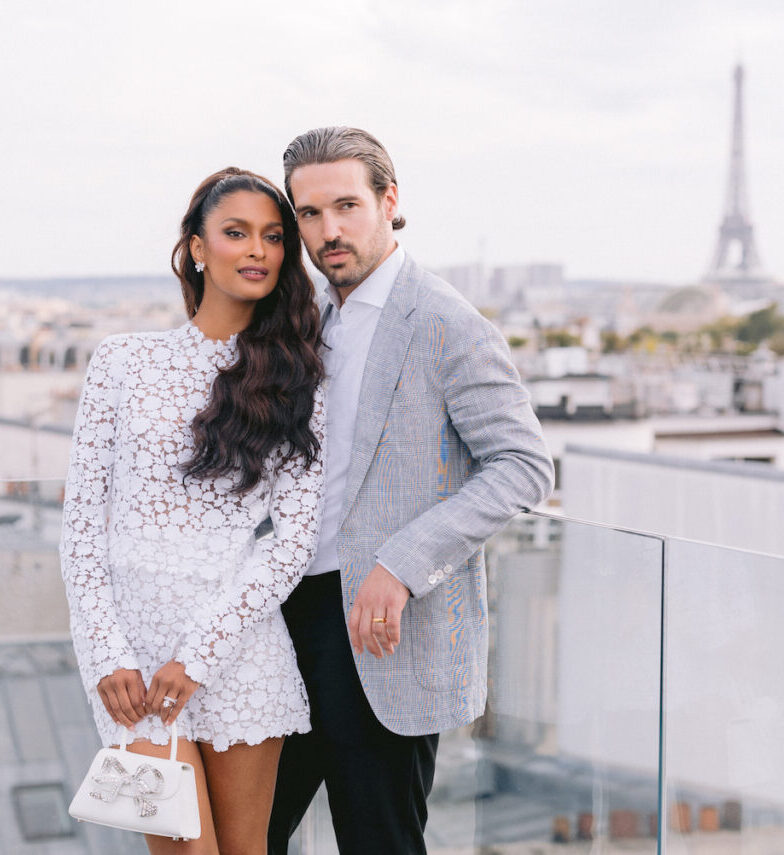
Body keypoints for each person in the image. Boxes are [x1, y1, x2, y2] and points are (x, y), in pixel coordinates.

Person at [268, 127, 554, 854]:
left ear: (388, 202)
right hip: (287, 619)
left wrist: (400, 565)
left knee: (379, 842)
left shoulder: (446, 322)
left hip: (380, 633)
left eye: (346, 206)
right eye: (308, 214)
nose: (328, 231)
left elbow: (523, 466)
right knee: (246, 833)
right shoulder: (314, 318)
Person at [60, 167, 325, 855]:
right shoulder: (121, 361)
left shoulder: (295, 377)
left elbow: (292, 541)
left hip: (236, 654)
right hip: (132, 665)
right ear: (197, 247)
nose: (257, 250)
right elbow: (82, 525)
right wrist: (105, 653)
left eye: (272, 236)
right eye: (235, 233)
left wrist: (200, 654)